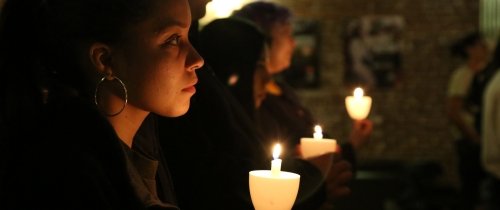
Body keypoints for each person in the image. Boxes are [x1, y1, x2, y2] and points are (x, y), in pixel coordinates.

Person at [0, 0, 203, 209]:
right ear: (105, 60)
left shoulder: (139, 156)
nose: (198, 59)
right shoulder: (71, 178)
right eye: (173, 39)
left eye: (187, 37)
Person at [154, 1, 354, 209]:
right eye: (173, 40)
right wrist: (312, 181)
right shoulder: (193, 114)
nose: (197, 61)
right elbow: (217, 186)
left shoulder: (239, 108)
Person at [232, 1, 373, 170]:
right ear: (263, 43)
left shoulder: (282, 89)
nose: (293, 43)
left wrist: (351, 143)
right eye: (286, 35)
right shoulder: (250, 99)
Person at [446, 32, 489, 210]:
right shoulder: (463, 76)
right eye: (481, 46)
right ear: (470, 50)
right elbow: (453, 111)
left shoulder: (480, 75)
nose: (486, 50)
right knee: (470, 190)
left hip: (475, 139)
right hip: (469, 140)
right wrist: (474, 137)